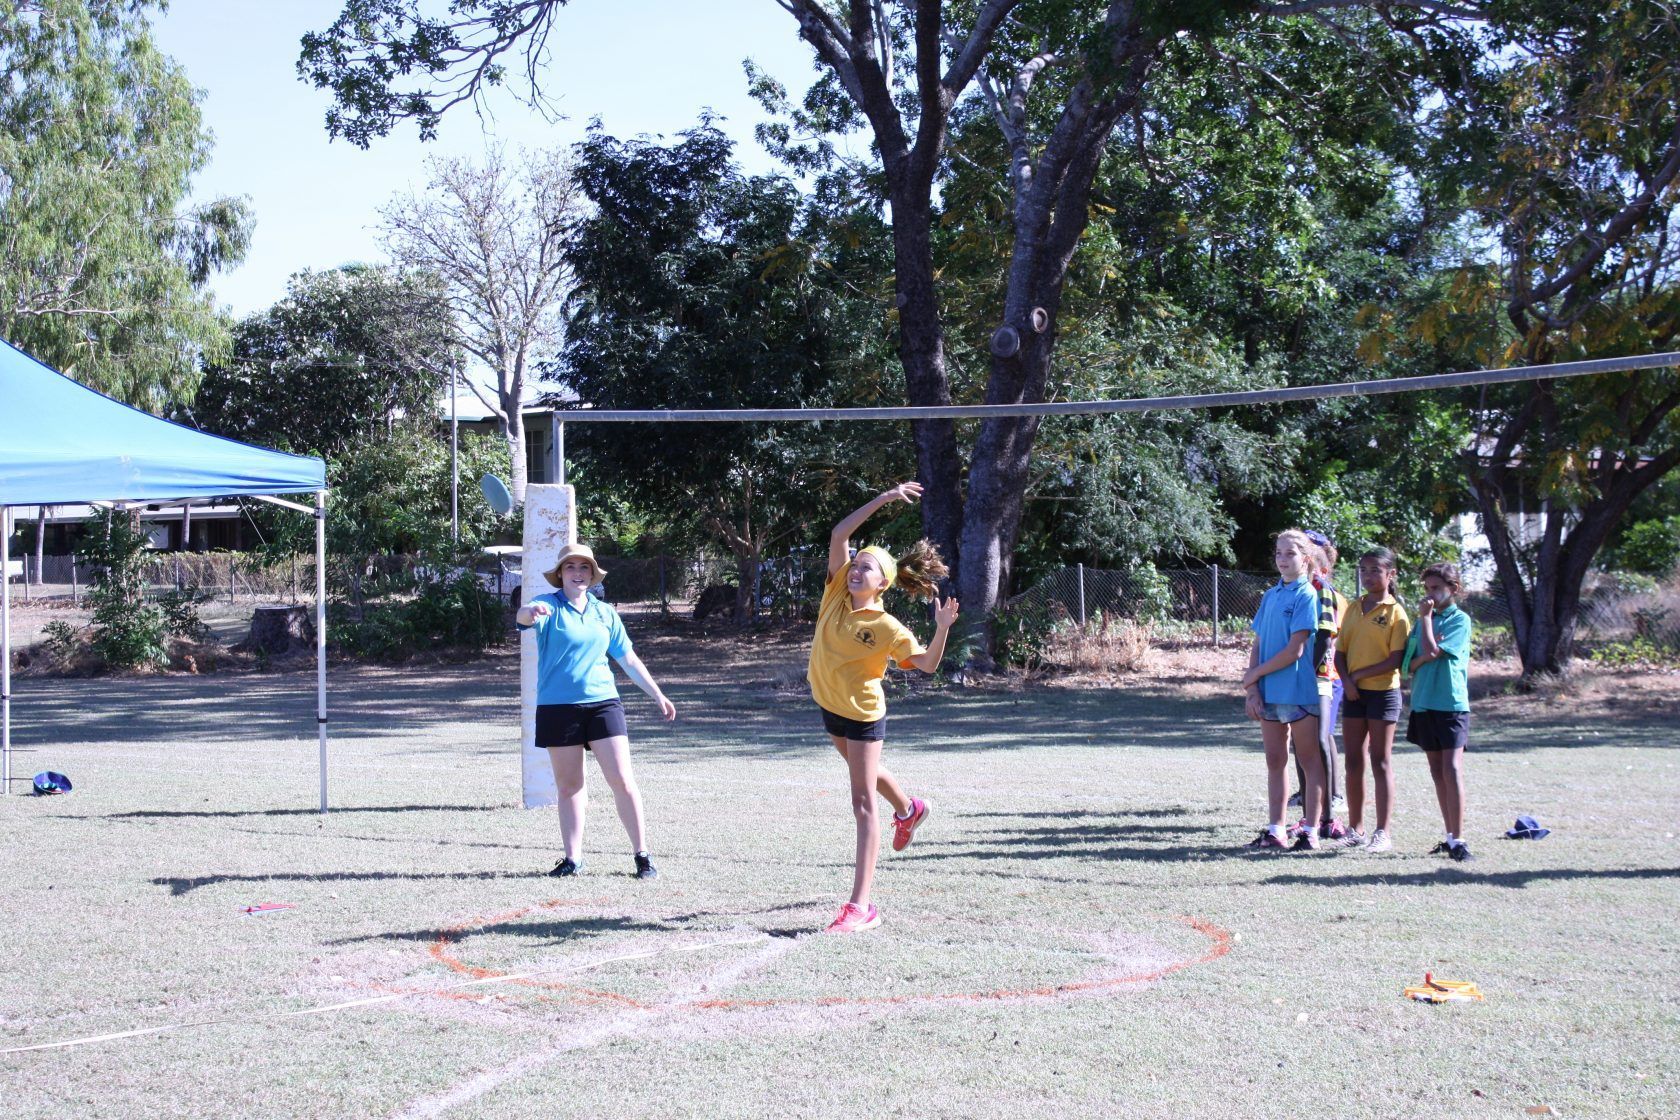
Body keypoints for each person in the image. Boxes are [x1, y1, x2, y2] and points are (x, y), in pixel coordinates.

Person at [809, 482, 958, 933]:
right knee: (867, 775)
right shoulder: (836, 592)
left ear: (883, 582)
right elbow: (839, 535)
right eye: (856, 564)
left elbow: (927, 665)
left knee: (861, 800)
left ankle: (861, 907)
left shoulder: (889, 626)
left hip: (863, 715)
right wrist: (886, 498)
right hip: (829, 705)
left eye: (867, 568)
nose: (856, 569)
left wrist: (942, 627)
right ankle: (910, 809)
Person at [515, 542, 676, 879]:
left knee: (623, 780)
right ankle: (572, 859)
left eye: (583, 567)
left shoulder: (605, 613)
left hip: (604, 704)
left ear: (592, 574)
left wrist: (657, 694)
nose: (577, 573)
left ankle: (642, 857)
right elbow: (523, 616)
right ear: (560, 574)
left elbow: (628, 659)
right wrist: (530, 614)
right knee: (569, 785)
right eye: (570, 567)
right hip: (558, 707)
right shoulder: (547, 605)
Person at [1242, 529, 1326, 851]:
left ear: (1305, 559)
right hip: (1269, 695)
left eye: (1289, 553)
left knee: (1308, 761)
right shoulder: (1270, 596)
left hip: (1299, 693)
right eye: (1278, 553)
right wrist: (1253, 689)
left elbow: (1295, 651)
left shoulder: (1307, 595)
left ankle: (1310, 831)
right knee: (1275, 761)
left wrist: (1253, 675)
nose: (1282, 559)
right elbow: (1259, 643)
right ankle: (1276, 830)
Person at [1334, 547, 1411, 852]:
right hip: (1353, 693)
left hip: (1383, 694)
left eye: (1375, 570)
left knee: (1380, 761)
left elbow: (1394, 660)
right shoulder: (1353, 607)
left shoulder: (1396, 613)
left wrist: (1359, 677)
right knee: (1353, 761)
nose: (1368, 576)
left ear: (1391, 574)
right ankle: (1356, 829)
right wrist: (1347, 681)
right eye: (1363, 570)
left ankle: (1383, 832)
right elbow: (1340, 652)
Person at [1402, 561, 1474, 862]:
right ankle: (1448, 837)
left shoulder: (1459, 621)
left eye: (1436, 589)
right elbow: (1408, 664)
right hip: (1423, 701)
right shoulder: (1420, 622)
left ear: (1453, 589)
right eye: (1426, 589)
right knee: (1436, 772)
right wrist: (1423, 656)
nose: (1429, 595)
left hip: (1451, 704)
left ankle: (1459, 840)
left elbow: (1433, 651)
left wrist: (1428, 625)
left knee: (1452, 769)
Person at [1290, 531, 1350, 840]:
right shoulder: (1294, 590)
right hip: (1297, 679)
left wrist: (1308, 673)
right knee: (1300, 745)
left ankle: (1328, 818)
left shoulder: (1323, 591)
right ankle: (1308, 815)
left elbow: (1325, 637)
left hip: (1321, 678)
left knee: (1321, 741)